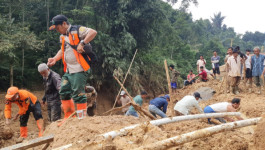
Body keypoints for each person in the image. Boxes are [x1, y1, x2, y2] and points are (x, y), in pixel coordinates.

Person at [47, 15, 97, 121]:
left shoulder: (77, 30)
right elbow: (62, 50)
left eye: (57, 28)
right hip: (69, 70)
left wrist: (83, 43)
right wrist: (55, 59)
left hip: (79, 69)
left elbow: (93, 32)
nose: (57, 30)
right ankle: (69, 116)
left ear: (64, 24)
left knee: (78, 93)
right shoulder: (62, 36)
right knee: (64, 91)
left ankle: (81, 118)